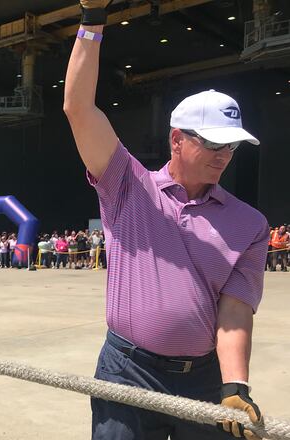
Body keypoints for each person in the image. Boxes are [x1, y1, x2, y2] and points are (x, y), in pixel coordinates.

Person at [64, 3, 268, 438]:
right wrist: (92, 18)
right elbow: (79, 108)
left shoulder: (249, 224)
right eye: (213, 143)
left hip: (203, 379)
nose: (224, 155)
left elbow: (234, 310)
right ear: (177, 139)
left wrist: (235, 385)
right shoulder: (127, 185)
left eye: (232, 146)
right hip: (127, 370)